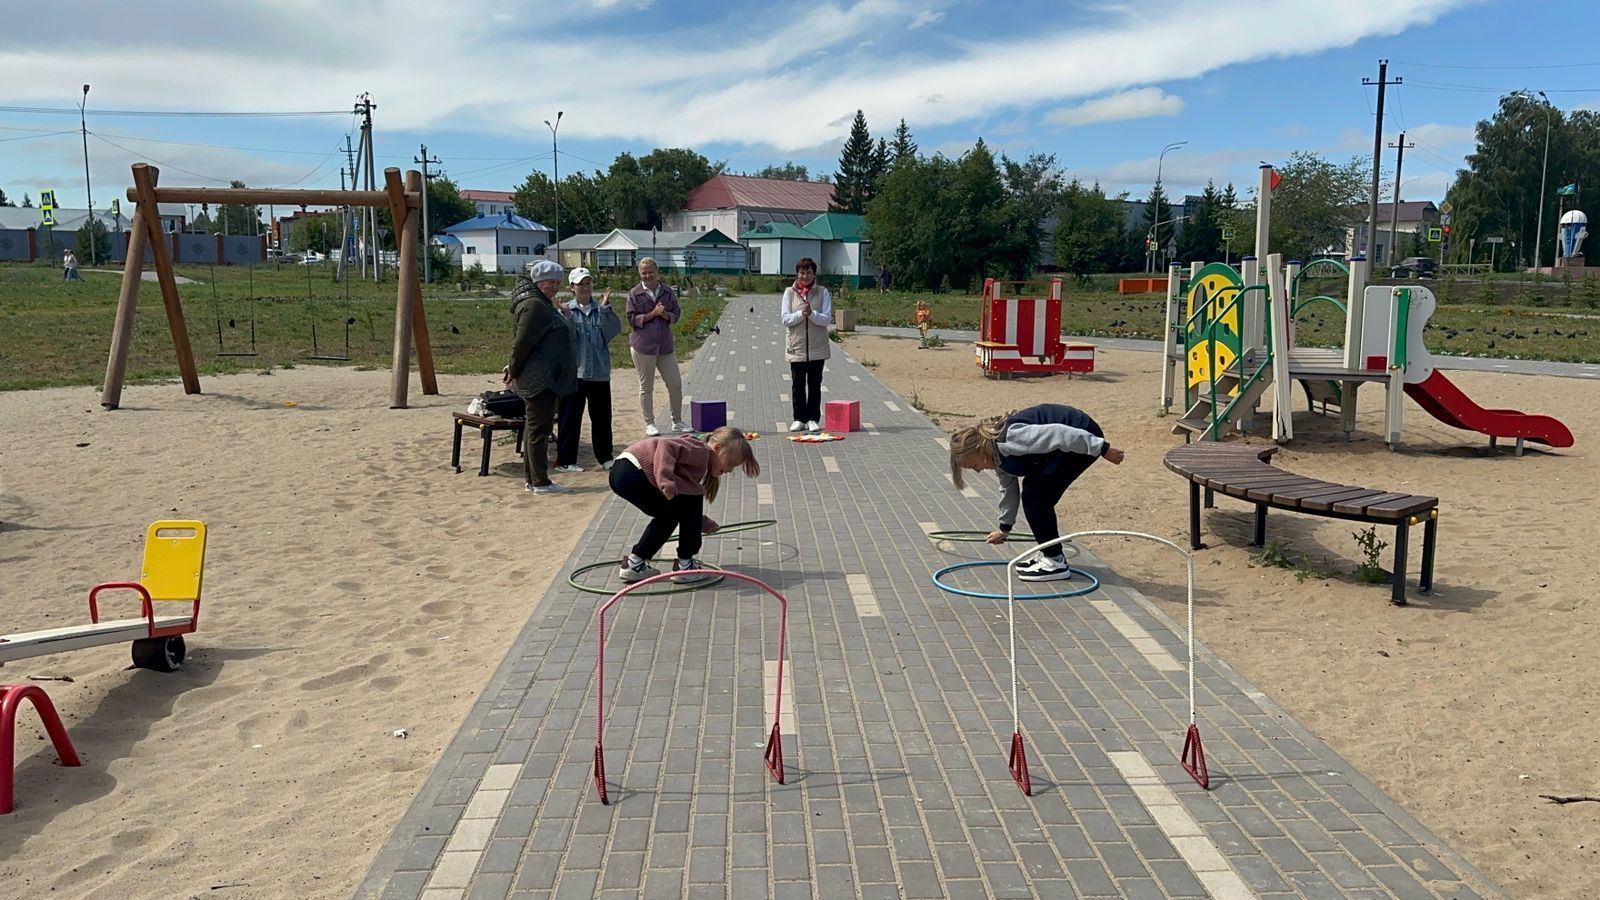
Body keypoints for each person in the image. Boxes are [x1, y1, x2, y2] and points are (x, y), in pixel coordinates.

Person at [948, 403, 1125, 582]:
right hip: (1070, 441)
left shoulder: (1010, 438)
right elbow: (1009, 491)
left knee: (1036, 495)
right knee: (1034, 492)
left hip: (1081, 434)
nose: (977, 471)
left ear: (978, 451)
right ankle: (1050, 554)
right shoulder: (997, 457)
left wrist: (1103, 449)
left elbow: (1060, 434)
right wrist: (1004, 528)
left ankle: (1055, 562)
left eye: (973, 466)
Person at [610, 426, 760, 584]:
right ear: (717, 448)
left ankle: (634, 564)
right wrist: (665, 479)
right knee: (689, 502)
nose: (729, 470)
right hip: (633, 470)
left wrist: (701, 522)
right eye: (730, 463)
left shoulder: (698, 459)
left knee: (671, 514)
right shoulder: (700, 450)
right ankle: (685, 565)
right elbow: (665, 446)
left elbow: (684, 508)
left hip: (623, 474)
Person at [504, 259, 578, 494]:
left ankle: (533, 478)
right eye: (550, 282)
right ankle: (540, 481)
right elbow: (522, 343)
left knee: (535, 429)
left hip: (546, 376)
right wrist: (512, 371)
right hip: (540, 379)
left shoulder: (542, 303)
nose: (555, 286)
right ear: (538, 281)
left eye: (558, 282)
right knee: (539, 430)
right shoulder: (535, 306)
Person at [554, 267, 623, 473]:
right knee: (570, 418)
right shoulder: (566, 311)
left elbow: (613, 331)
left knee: (602, 417)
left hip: (599, 372)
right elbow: (561, 340)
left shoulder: (601, 309)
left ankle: (605, 457)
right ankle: (566, 460)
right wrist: (565, 316)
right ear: (572, 288)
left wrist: (606, 310)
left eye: (588, 283)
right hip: (575, 373)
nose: (585, 287)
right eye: (580, 284)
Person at [626, 257, 689, 437]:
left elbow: (676, 314)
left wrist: (666, 315)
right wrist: (652, 314)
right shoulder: (634, 293)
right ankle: (650, 423)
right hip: (643, 346)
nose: (647, 275)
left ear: (657, 271)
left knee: (675, 384)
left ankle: (677, 421)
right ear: (639, 273)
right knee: (647, 387)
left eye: (650, 272)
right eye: (644, 272)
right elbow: (631, 319)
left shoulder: (667, 291)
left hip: (665, 346)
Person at [780, 257, 832, 432]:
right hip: (797, 346)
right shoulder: (789, 292)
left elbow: (826, 319)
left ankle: (812, 418)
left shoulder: (823, 292)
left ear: (814, 274)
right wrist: (802, 314)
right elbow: (786, 319)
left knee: (815, 384)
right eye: (802, 272)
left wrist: (812, 314)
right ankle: (798, 418)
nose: (805, 276)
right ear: (797, 274)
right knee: (797, 384)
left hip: (818, 347)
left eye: (808, 272)